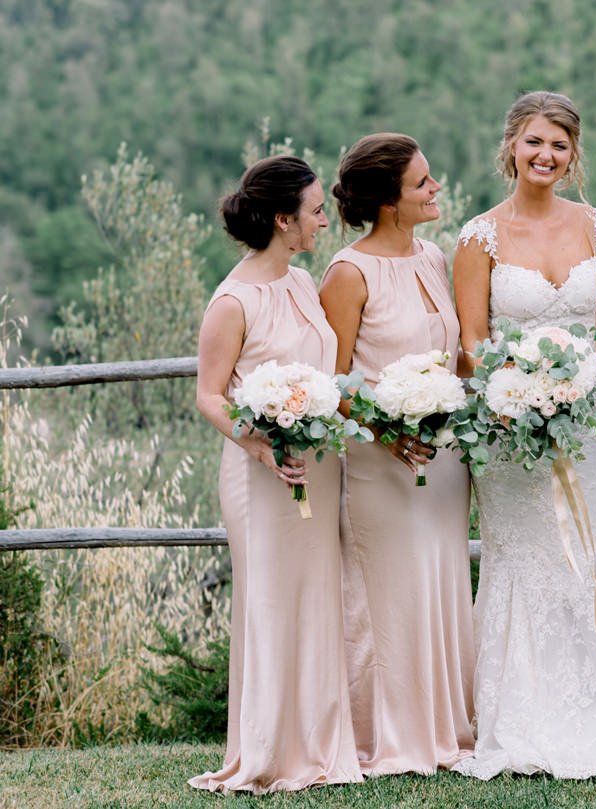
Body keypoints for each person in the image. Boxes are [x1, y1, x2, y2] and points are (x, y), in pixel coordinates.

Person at [451, 90, 596, 779]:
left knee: (584, 552)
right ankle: (519, 717)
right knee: (526, 557)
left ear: (573, 156)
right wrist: (519, 391)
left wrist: (576, 382)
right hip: (510, 424)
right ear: (511, 145)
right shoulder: (478, 237)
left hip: (586, 422)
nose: (545, 155)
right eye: (534, 141)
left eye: (559, 145)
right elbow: (473, 340)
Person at [190, 156, 362, 794]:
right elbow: (210, 394)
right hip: (259, 473)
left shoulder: (299, 282)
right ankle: (265, 750)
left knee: (317, 597)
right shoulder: (233, 301)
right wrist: (258, 443)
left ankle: (319, 745)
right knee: (270, 602)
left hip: (317, 466)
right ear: (283, 219)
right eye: (316, 211)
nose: (325, 219)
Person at [318, 133, 474, 776]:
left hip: (444, 459)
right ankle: (386, 732)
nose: (435, 188)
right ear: (388, 200)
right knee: (386, 594)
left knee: (440, 582)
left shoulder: (435, 255)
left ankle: (446, 727)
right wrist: (388, 431)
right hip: (384, 462)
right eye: (422, 183)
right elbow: (333, 381)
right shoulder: (348, 273)